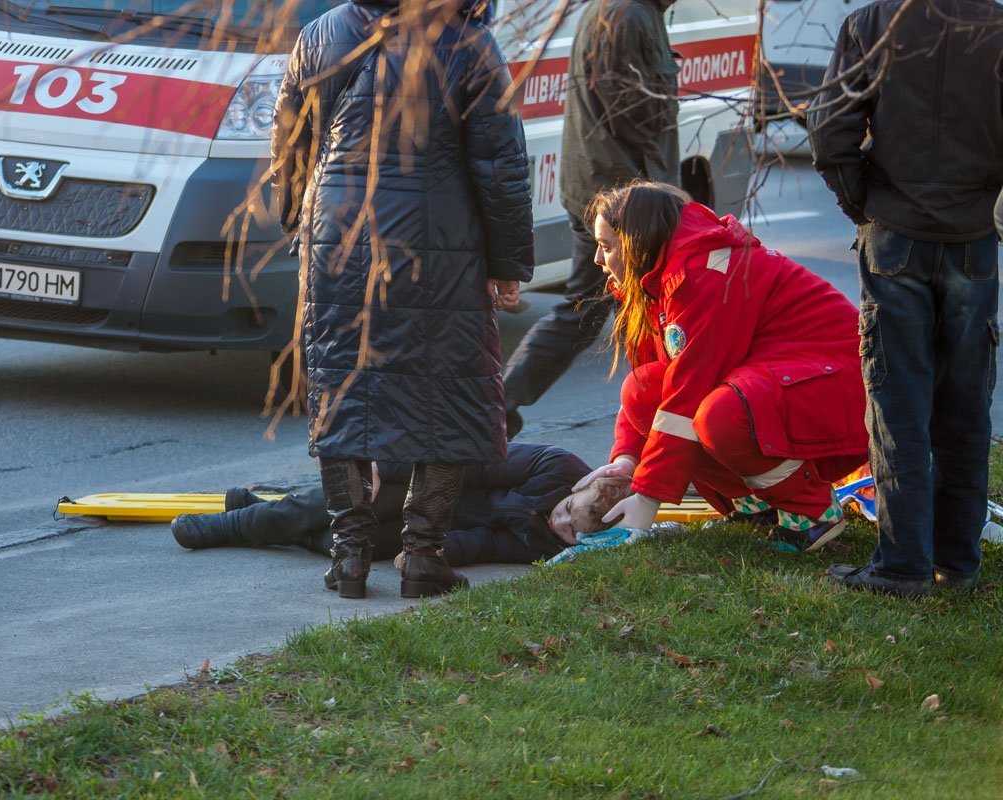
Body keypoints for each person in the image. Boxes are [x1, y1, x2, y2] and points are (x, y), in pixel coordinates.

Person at [271, 0, 534, 599]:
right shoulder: (467, 41)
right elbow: (499, 164)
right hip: (438, 243)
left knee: (344, 389)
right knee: (448, 392)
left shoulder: (320, 33)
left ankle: (351, 558)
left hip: (338, 234)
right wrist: (507, 262)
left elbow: (291, 141)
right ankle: (422, 555)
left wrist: (295, 221)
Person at [808, 0, 1003, 597]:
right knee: (965, 406)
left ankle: (903, 565)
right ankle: (956, 559)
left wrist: (863, 204)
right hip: (972, 236)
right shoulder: (995, 27)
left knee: (897, 404)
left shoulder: (873, 24)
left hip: (896, 234)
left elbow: (830, 131)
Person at [573, 182, 869, 551]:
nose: (598, 260)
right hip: (796, 383)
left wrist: (647, 499)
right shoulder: (660, 276)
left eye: (606, 246)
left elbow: (685, 397)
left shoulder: (700, 274)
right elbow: (654, 390)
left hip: (839, 389)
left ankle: (813, 514)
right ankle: (758, 505)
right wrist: (626, 459)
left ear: (636, 241)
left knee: (720, 416)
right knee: (644, 389)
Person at [501, 0, 680, 439]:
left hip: (613, 187)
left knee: (604, 310)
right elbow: (634, 111)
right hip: (620, 196)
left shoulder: (629, 11)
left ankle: (500, 404)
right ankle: (499, 405)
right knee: (636, 311)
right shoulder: (626, 14)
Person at [169, 443, 633, 567]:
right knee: (342, 505)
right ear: (583, 484)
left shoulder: (551, 547)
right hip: (420, 479)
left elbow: (489, 544)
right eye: (570, 508)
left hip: (434, 527)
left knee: (344, 543)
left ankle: (256, 508)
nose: (560, 521)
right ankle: (225, 527)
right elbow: (467, 461)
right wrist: (384, 469)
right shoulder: (556, 465)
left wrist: (435, 553)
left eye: (572, 530)